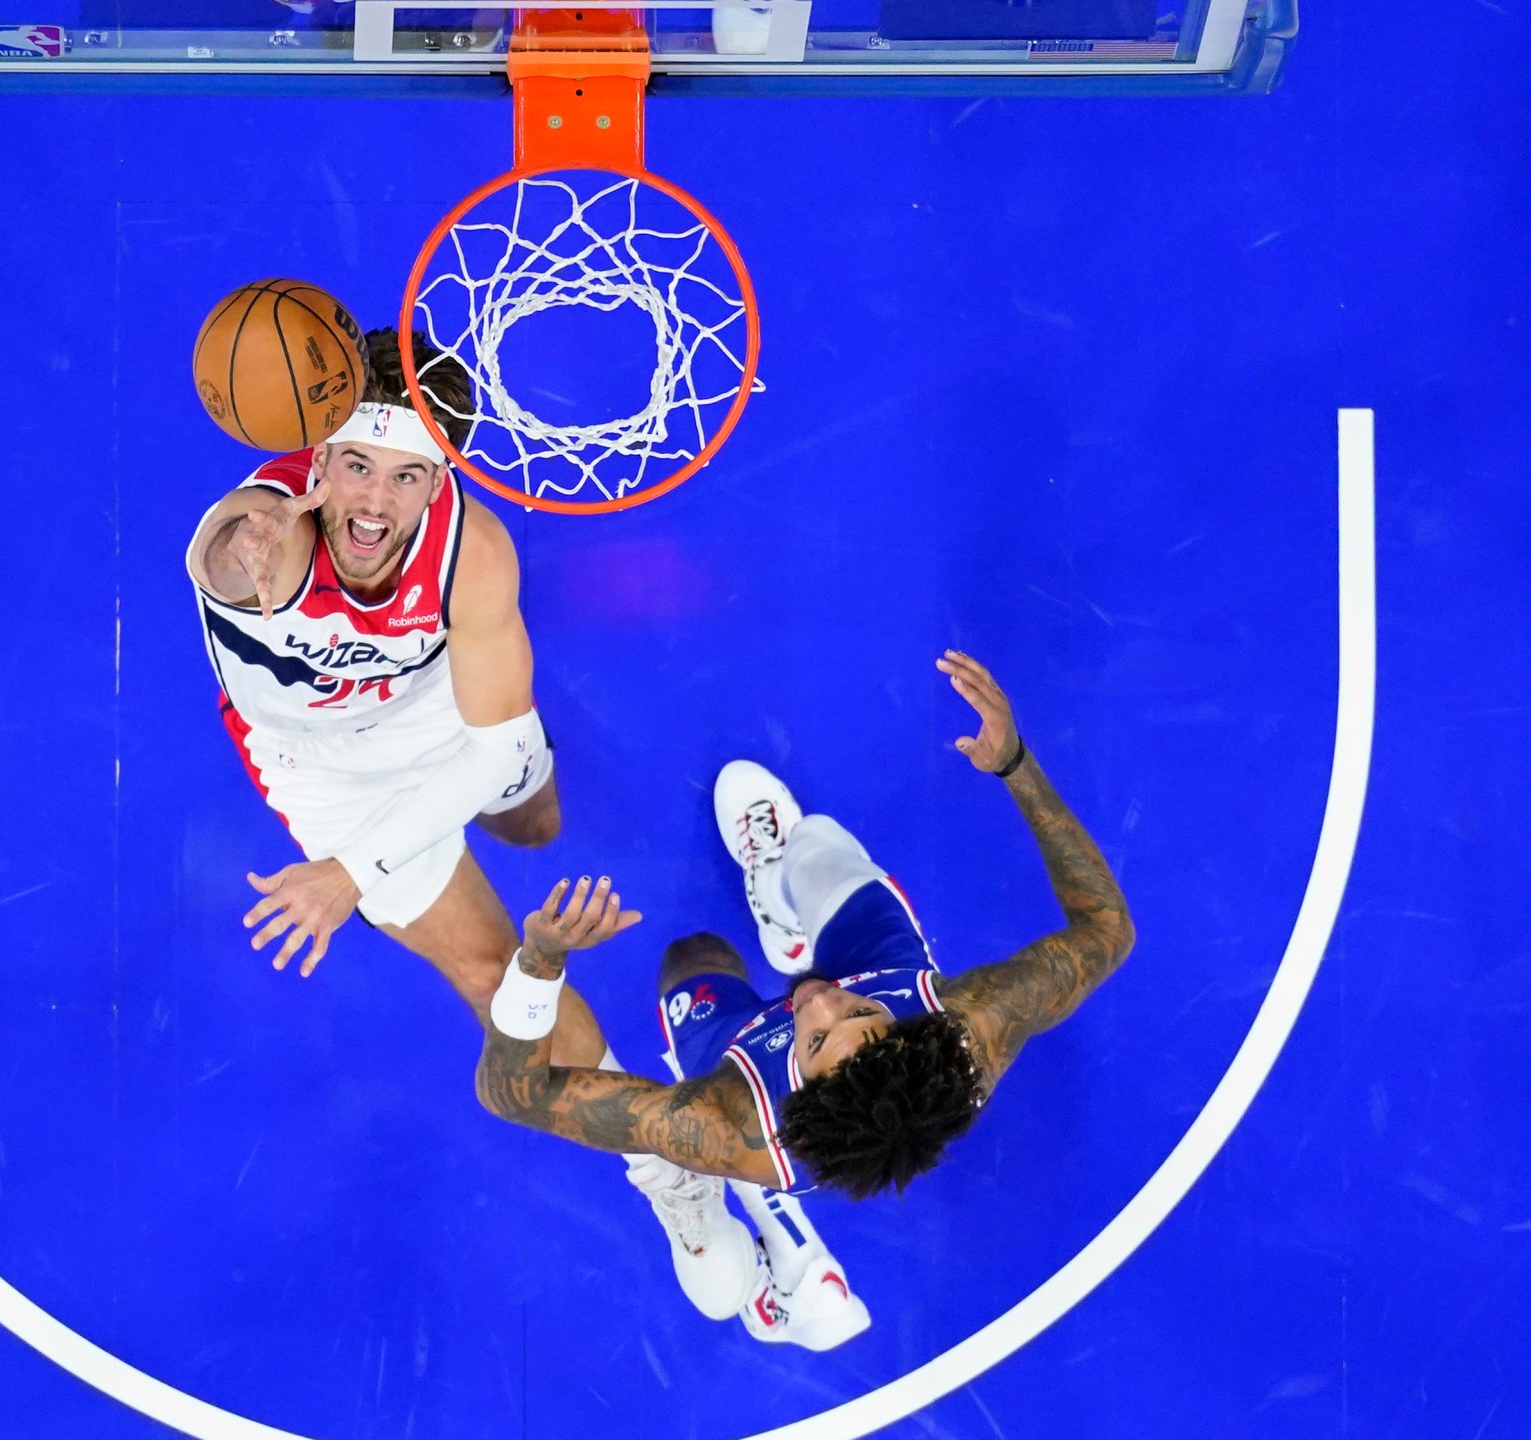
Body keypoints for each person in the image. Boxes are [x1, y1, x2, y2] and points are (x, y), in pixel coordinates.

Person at [187, 326, 751, 1305]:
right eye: (355, 465)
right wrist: (352, 868)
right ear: (315, 460)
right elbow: (227, 548)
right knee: (494, 972)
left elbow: (490, 749)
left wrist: (362, 867)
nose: (373, 501)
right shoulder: (260, 543)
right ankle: (673, 1176)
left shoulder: (472, 552)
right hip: (329, 773)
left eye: (408, 476)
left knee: (530, 817)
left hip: (448, 713)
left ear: (440, 475)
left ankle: (502, 820)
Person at [474, 651, 1136, 1345]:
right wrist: (1015, 763)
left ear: (803, 1090)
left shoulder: (731, 1123)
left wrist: (539, 962)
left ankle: (686, 1199)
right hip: (881, 969)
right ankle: (781, 884)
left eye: (817, 1040)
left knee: (692, 961)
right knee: (817, 844)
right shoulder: (970, 1026)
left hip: (752, 1117)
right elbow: (1107, 928)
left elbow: (511, 1095)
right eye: (860, 1015)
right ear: (916, 1027)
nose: (818, 1001)